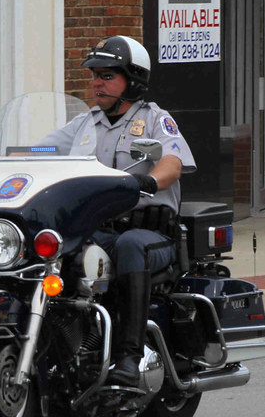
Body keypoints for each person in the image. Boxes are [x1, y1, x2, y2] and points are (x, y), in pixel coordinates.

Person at [43, 35, 196, 387]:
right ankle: (64, 348)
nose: (97, 82)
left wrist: (149, 182)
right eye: (95, 75)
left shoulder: (156, 120)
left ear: (134, 79)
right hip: (98, 229)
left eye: (107, 75)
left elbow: (172, 163)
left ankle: (130, 356)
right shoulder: (84, 124)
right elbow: (39, 149)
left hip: (149, 233)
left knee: (131, 246)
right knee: (56, 248)